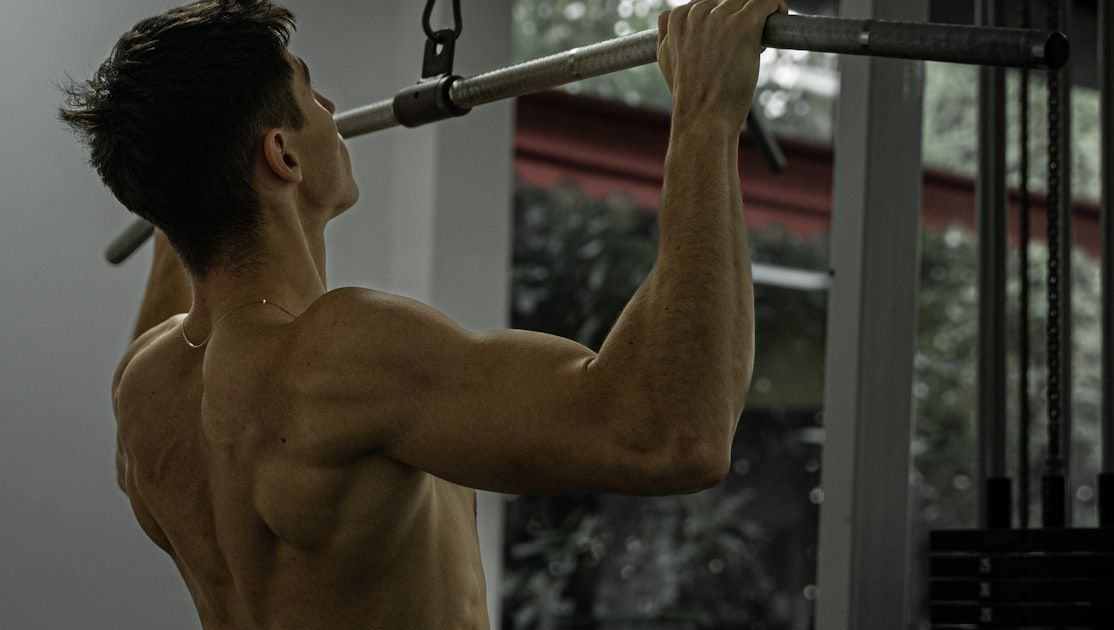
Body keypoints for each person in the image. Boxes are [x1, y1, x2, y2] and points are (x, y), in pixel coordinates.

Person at [59, 0, 783, 626]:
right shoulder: (341, 356)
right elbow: (669, 432)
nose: (331, 110)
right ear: (282, 155)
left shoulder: (144, 388)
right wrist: (705, 114)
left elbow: (194, 234)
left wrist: (184, 182)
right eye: (310, 92)